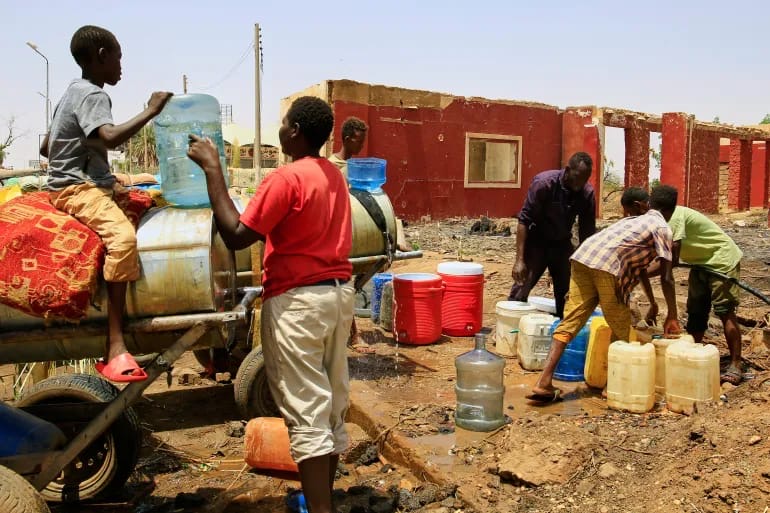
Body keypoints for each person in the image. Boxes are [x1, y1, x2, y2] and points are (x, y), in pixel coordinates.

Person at [187, 96, 354, 513]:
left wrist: (212, 169)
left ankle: (320, 509)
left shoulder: (286, 178)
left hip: (298, 302)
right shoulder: (332, 176)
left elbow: (236, 234)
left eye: (283, 123)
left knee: (306, 410)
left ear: (294, 131)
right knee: (330, 406)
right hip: (336, 296)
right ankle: (321, 500)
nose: (279, 129)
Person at [41, 25, 172, 382]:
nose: (121, 66)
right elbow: (111, 138)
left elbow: (47, 147)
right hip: (76, 188)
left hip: (80, 181)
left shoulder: (71, 92)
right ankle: (114, 344)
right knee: (124, 239)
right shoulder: (93, 95)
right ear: (101, 56)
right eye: (118, 58)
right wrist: (152, 109)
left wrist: (88, 157)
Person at [526, 185, 682, 402]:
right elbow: (667, 277)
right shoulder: (662, 228)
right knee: (621, 330)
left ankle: (543, 382)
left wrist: (652, 302)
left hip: (583, 257)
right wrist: (672, 314)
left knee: (570, 321)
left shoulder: (632, 221)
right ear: (671, 210)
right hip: (608, 266)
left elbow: (640, 270)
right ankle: (612, 386)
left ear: (650, 203)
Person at [643, 186, 744, 385]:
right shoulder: (661, 220)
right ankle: (692, 356)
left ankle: (736, 364)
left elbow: (670, 261)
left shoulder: (674, 219)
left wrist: (640, 273)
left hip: (721, 261)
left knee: (725, 311)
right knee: (696, 313)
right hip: (700, 264)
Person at [509, 152, 596, 318]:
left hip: (562, 244)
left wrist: (583, 264)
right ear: (568, 170)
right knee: (522, 286)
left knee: (566, 293)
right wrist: (519, 260)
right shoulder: (544, 184)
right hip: (537, 241)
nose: (580, 183)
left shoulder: (587, 193)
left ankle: (561, 328)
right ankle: (510, 323)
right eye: (577, 177)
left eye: (585, 179)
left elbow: (587, 232)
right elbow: (524, 220)